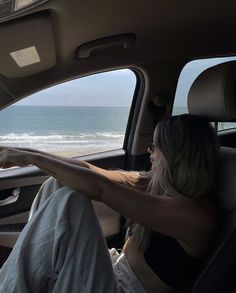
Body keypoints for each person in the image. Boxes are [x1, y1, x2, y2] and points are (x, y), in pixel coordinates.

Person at [0, 114, 219, 293]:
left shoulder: (195, 216)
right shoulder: (156, 184)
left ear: (176, 155)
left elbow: (99, 187)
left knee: (71, 201)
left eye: (155, 146)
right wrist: (27, 153)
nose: (149, 150)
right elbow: (88, 171)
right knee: (57, 183)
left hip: (123, 290)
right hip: (115, 270)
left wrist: (33, 160)